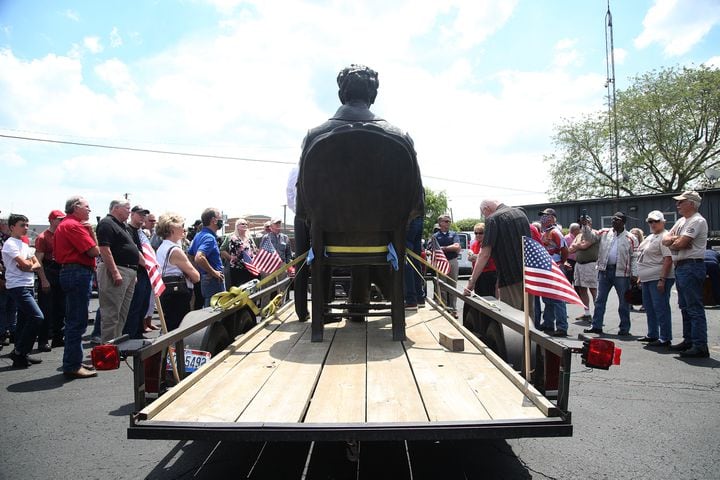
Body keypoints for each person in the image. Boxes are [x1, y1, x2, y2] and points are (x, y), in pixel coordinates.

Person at [54, 196, 99, 378]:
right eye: (86, 206)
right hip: (77, 272)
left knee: (75, 320)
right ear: (75, 207)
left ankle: (74, 362)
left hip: (73, 272)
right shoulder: (73, 226)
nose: (89, 210)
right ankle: (72, 365)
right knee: (77, 321)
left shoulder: (66, 225)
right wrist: (91, 234)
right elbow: (93, 251)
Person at [465, 199, 533, 315]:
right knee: (528, 316)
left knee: (513, 318)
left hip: (510, 276)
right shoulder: (521, 214)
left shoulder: (493, 219)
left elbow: (484, 254)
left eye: (483, 213)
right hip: (529, 274)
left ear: (486, 209)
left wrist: (472, 282)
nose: (484, 216)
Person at [663, 190, 710, 358]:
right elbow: (665, 239)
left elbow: (681, 243)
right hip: (682, 267)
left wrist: (676, 242)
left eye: (681, 201)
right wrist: (676, 241)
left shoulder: (697, 220)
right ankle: (689, 340)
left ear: (691, 203)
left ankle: (699, 344)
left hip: (692, 266)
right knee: (684, 306)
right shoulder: (682, 221)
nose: (678, 204)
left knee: (693, 307)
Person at [582, 211, 638, 336]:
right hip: (604, 270)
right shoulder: (605, 232)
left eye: (617, 219)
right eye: (612, 219)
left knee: (624, 302)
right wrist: (585, 226)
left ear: (623, 222)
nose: (613, 221)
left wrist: (634, 273)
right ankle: (596, 326)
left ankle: (624, 328)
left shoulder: (631, 237)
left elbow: (635, 256)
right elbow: (589, 237)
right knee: (600, 300)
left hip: (622, 273)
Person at [1, 214, 44, 368]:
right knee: (37, 317)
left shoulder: (24, 245)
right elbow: (24, 264)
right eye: (22, 225)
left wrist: (29, 266)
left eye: (27, 225)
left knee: (23, 321)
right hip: (17, 286)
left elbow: (35, 265)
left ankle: (21, 354)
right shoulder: (10, 244)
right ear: (12, 227)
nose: (26, 228)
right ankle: (19, 351)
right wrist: (29, 265)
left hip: (28, 284)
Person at [96, 199, 139, 342]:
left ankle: (115, 346)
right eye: (127, 208)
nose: (129, 211)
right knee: (111, 314)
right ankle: (106, 350)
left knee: (122, 314)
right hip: (117, 270)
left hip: (128, 271)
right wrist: (115, 272)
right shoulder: (107, 223)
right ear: (116, 208)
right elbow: (104, 249)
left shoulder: (124, 227)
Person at [636, 210, 675, 347]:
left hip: (658, 277)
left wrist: (662, 279)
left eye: (656, 221)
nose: (653, 224)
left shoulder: (665, 236)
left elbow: (668, 259)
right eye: (650, 221)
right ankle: (652, 334)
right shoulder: (650, 237)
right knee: (649, 307)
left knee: (660, 307)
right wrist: (641, 276)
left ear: (663, 222)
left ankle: (665, 337)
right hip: (647, 278)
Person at [156, 213, 200, 331]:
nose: (184, 229)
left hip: (166, 293)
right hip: (178, 296)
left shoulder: (162, 247)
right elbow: (196, 277)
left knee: (169, 328)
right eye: (181, 226)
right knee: (178, 330)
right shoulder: (175, 250)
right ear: (172, 229)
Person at [33, 209, 67, 351]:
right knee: (46, 309)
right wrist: (44, 280)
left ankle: (58, 338)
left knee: (61, 308)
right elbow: (38, 261)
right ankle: (43, 340)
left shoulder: (62, 235)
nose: (62, 222)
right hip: (48, 272)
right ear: (52, 220)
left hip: (60, 271)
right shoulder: (42, 237)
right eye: (59, 219)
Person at [538, 208, 569, 336]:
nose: (543, 218)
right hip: (546, 266)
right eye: (542, 216)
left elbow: (564, 248)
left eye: (546, 216)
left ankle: (562, 327)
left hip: (555, 266)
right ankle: (548, 323)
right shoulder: (544, 232)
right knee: (547, 297)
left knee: (557, 298)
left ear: (553, 217)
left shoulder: (555, 232)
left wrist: (562, 262)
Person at [124, 205, 152, 339]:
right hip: (136, 271)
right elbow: (134, 250)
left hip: (145, 272)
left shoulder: (142, 233)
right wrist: (146, 264)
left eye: (144, 215)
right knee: (135, 305)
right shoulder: (127, 230)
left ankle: (138, 331)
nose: (142, 217)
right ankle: (131, 333)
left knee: (144, 304)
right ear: (132, 214)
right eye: (139, 214)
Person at [188, 208, 225, 307]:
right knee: (215, 310)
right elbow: (199, 257)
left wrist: (199, 271)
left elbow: (190, 255)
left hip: (206, 279)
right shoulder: (209, 237)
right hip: (214, 280)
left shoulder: (198, 235)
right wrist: (213, 272)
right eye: (220, 218)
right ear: (214, 220)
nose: (222, 221)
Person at [568, 216, 599, 323]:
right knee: (581, 289)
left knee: (593, 289)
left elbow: (585, 245)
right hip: (579, 265)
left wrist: (577, 246)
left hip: (590, 265)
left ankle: (598, 314)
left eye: (586, 222)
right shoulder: (579, 235)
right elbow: (570, 249)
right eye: (582, 223)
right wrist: (578, 245)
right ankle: (587, 313)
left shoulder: (595, 233)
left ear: (590, 223)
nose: (584, 225)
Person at [433, 214, 461, 317]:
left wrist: (443, 248)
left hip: (452, 260)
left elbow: (457, 246)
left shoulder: (453, 234)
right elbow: (432, 249)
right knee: (442, 285)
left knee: (453, 285)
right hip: (441, 263)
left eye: (449, 221)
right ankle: (444, 308)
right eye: (446, 221)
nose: (448, 223)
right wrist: (449, 247)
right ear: (440, 223)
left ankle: (453, 309)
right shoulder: (435, 236)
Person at [220, 218, 258, 288]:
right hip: (237, 268)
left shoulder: (249, 237)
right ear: (237, 226)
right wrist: (230, 258)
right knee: (239, 288)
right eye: (243, 224)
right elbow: (222, 250)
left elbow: (254, 249)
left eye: (246, 224)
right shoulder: (231, 237)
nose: (245, 225)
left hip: (250, 268)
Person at [0, 215, 18, 349]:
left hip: (11, 276)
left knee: (12, 306)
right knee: (2, 307)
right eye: (7, 224)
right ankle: (3, 333)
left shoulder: (11, 240)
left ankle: (12, 331)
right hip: (2, 277)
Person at [467, 222, 497, 297]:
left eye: (480, 233)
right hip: (478, 274)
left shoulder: (488, 244)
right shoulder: (475, 244)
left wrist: (475, 257)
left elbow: (486, 261)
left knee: (488, 297)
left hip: (489, 274)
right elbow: (470, 257)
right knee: (478, 296)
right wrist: (475, 256)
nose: (478, 235)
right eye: (476, 233)